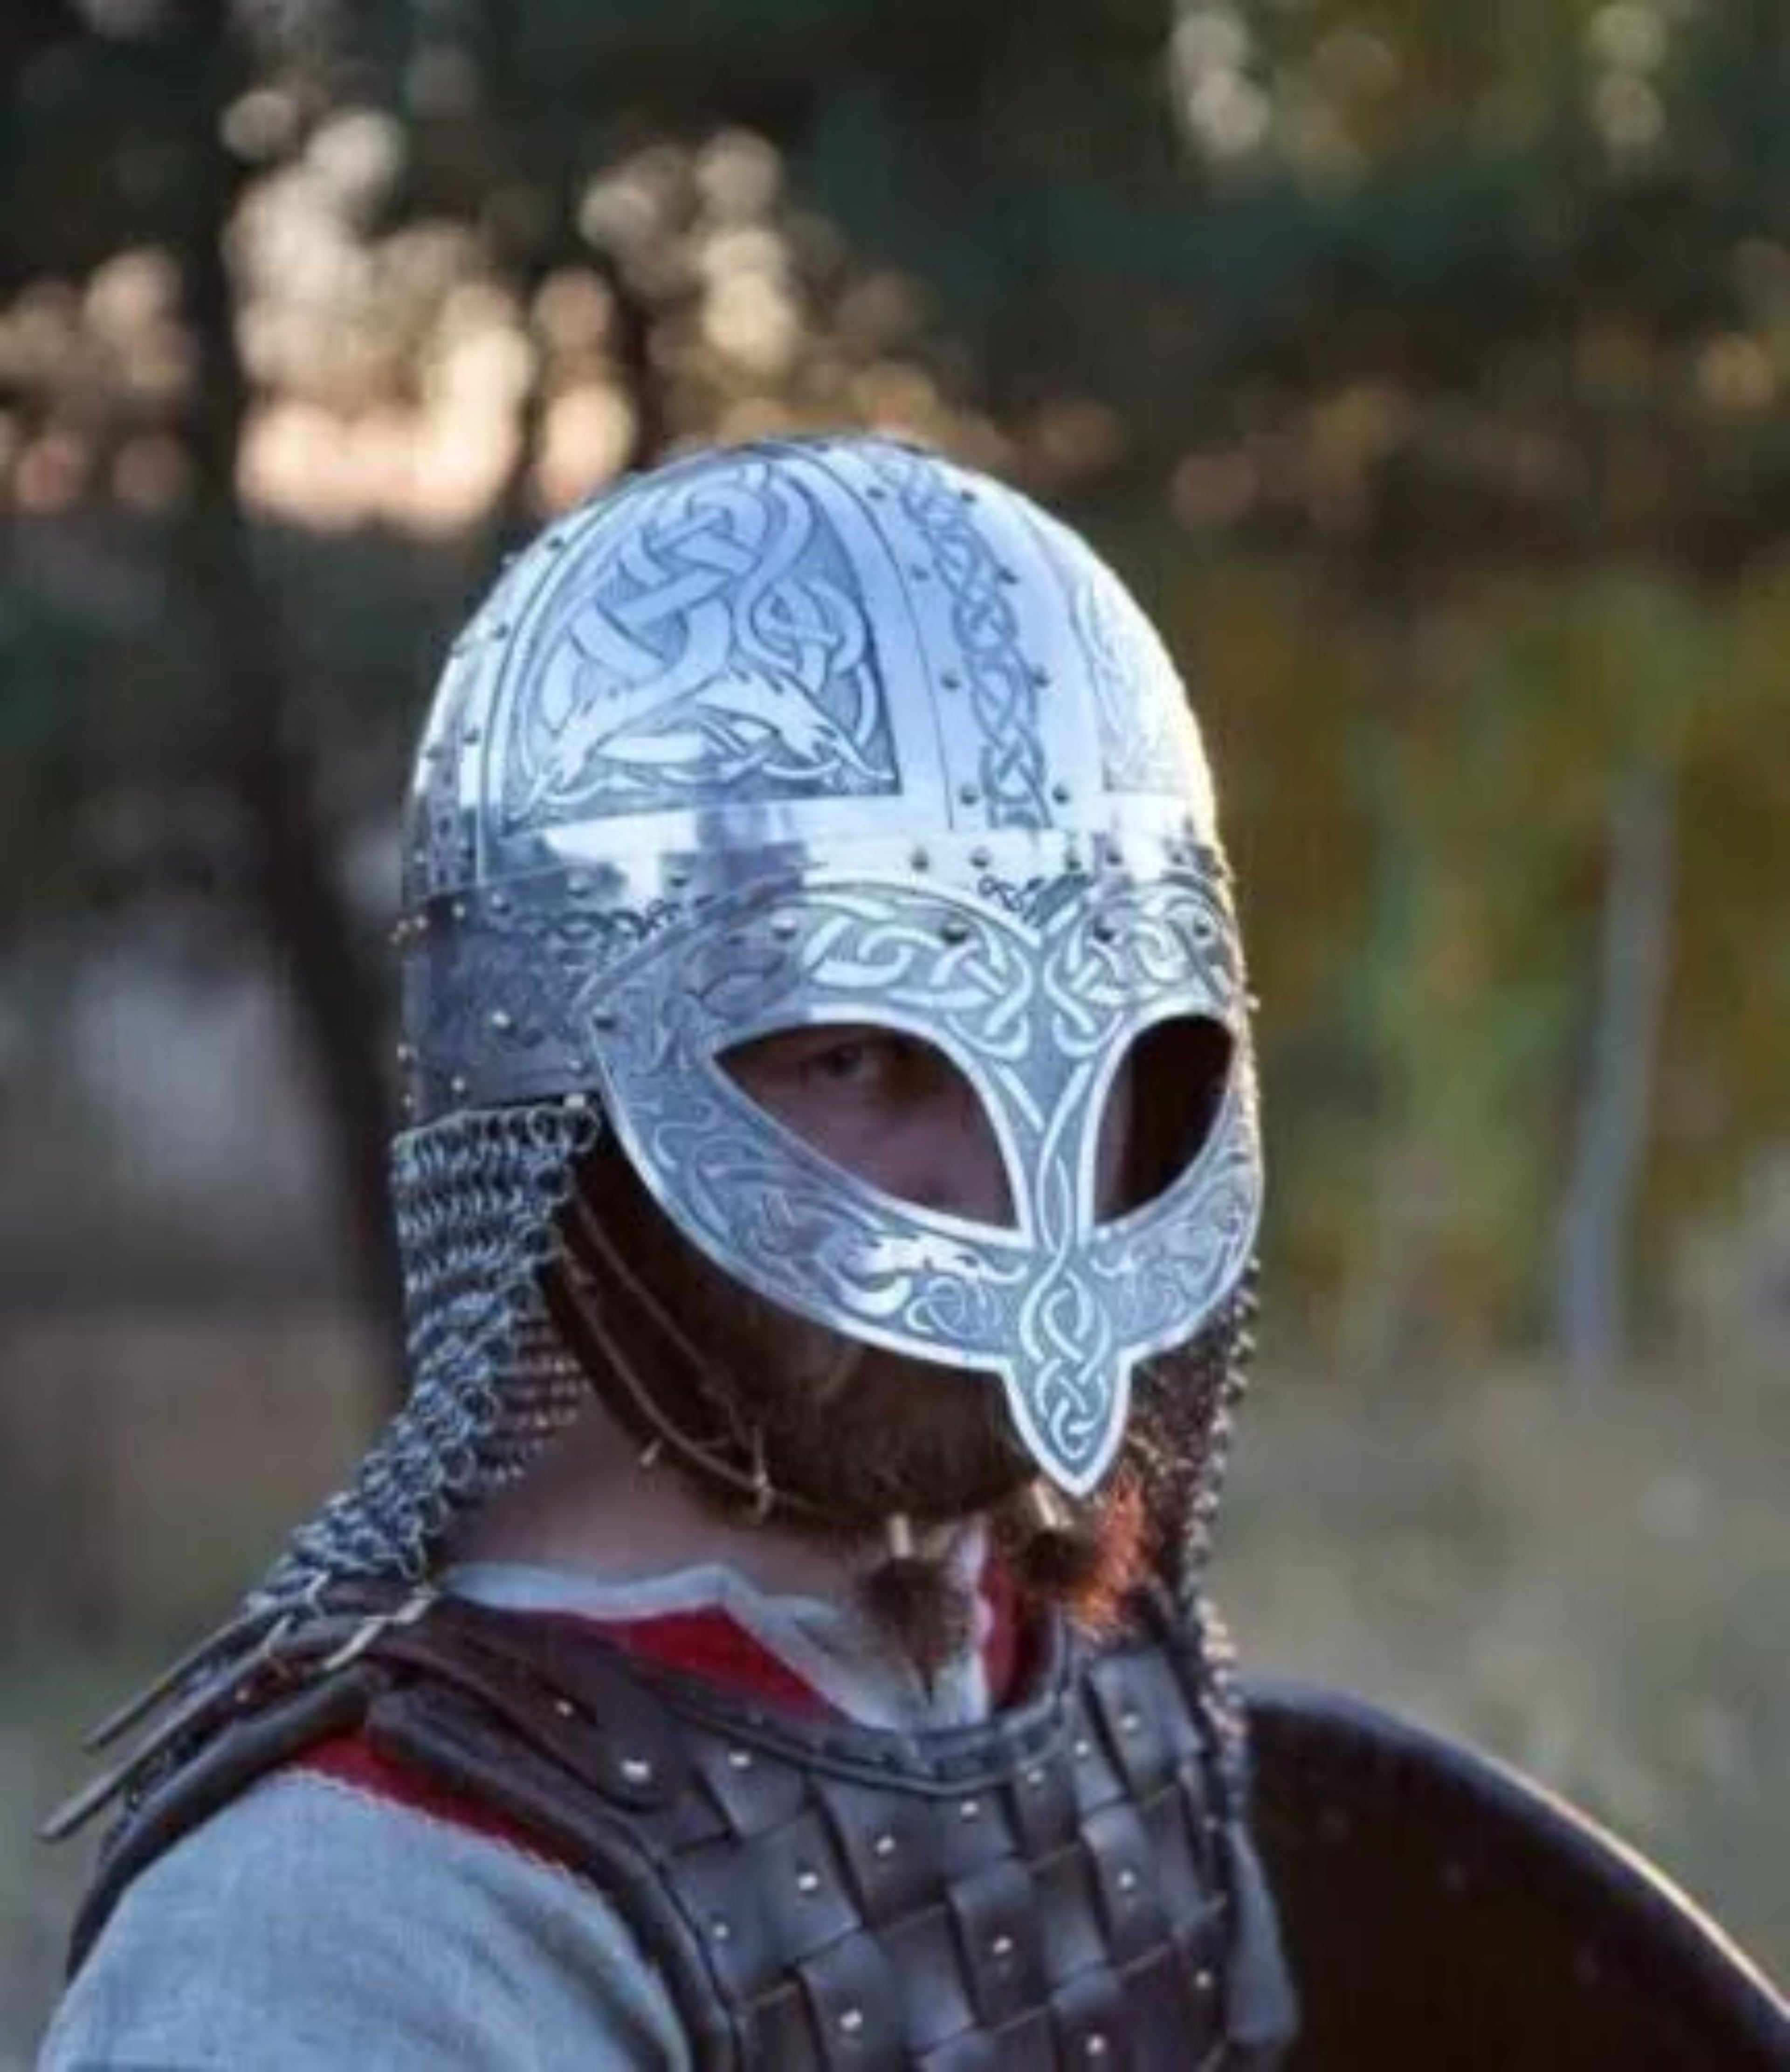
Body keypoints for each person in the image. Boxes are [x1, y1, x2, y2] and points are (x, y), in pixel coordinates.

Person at [39, 436, 1789, 2071]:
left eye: (1098, 1048)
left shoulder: (1108, 1706)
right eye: (859, 1055)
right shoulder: (350, 1927)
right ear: (557, 1102)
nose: (998, 1190)